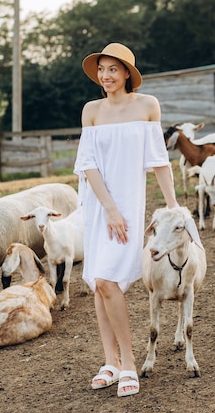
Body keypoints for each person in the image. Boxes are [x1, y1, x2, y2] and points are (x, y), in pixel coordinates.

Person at [73, 42, 179, 397]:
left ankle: (129, 363)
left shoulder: (147, 106)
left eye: (113, 70)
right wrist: (108, 209)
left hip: (129, 205)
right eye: (101, 70)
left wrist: (172, 205)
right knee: (100, 284)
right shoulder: (91, 110)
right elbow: (87, 165)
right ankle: (111, 361)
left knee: (108, 280)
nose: (106, 76)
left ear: (127, 73)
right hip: (99, 206)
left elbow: (159, 160)